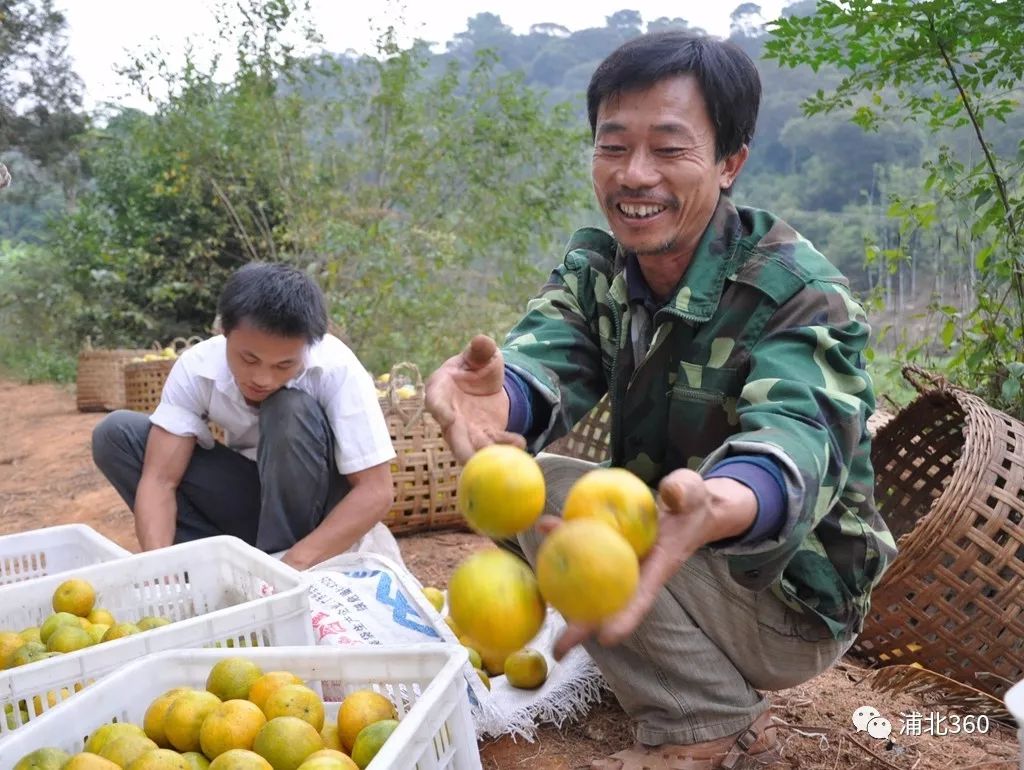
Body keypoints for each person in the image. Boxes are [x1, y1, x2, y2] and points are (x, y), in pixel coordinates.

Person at [426, 32, 896, 769]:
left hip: (789, 596)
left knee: (558, 494)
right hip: (682, 551)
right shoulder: (603, 268)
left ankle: (699, 722)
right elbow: (544, 358)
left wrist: (721, 502)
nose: (634, 175)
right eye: (613, 147)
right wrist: (499, 399)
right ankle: (691, 680)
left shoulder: (798, 291)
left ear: (729, 162)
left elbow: (798, 432)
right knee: (523, 486)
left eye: (669, 149)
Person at [93, 262, 397, 570]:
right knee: (117, 435)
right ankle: (202, 564)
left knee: (288, 408)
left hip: (317, 514)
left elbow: (376, 491)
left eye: (283, 365)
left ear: (308, 346)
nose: (262, 379)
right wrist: (158, 565)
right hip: (254, 500)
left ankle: (276, 563)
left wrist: (291, 565)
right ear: (224, 331)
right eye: (248, 358)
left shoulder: (337, 369)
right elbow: (160, 480)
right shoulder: (197, 368)